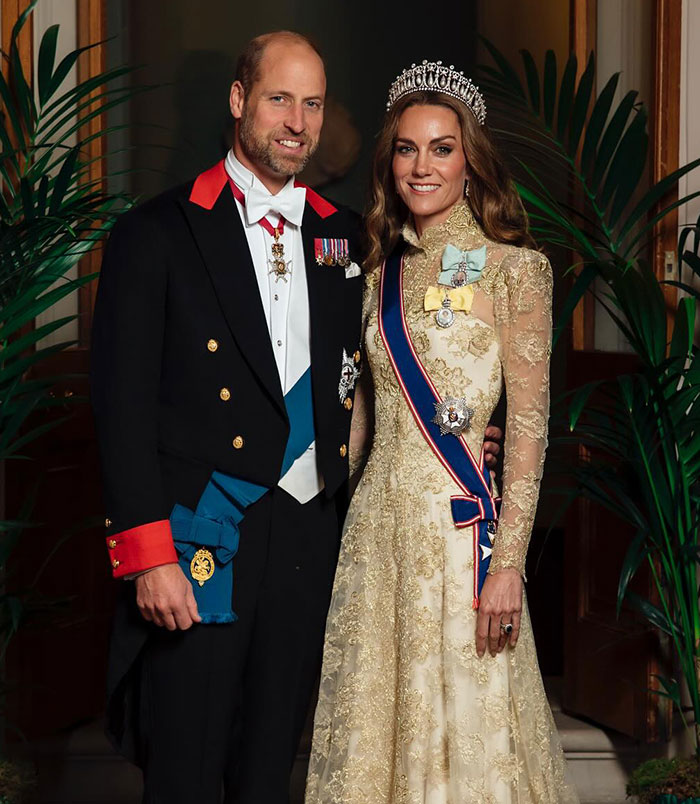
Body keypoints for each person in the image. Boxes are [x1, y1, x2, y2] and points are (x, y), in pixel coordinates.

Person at [91, 32, 503, 803]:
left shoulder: (350, 238)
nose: (297, 120)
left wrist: (461, 422)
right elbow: (119, 409)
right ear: (240, 101)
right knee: (184, 765)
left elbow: (409, 349)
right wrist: (148, 554)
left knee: (272, 765)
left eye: (312, 103)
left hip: (309, 536)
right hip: (203, 534)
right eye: (280, 98)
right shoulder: (157, 233)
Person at [305, 62, 579, 803]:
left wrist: (508, 565)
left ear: (471, 161)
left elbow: (527, 428)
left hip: (463, 545)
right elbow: (360, 423)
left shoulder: (517, 271)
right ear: (388, 160)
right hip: (378, 535)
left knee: (470, 734)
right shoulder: (371, 274)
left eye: (441, 148)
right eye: (406, 148)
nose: (421, 165)